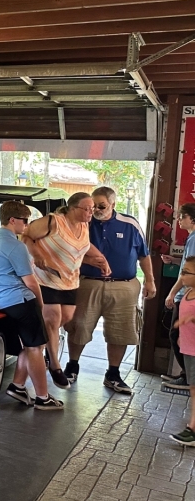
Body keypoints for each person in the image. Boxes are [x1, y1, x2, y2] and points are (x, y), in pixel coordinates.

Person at [64, 186, 155, 394]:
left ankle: (113, 373)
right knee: (78, 326)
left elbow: (144, 254)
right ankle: (72, 366)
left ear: (113, 204)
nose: (95, 210)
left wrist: (150, 281)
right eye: (93, 206)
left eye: (101, 206)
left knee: (120, 331)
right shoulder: (81, 223)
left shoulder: (130, 224)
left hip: (123, 286)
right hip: (88, 284)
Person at [22, 192, 111, 390]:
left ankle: (43, 343)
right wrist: (36, 254)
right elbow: (26, 235)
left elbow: (83, 248)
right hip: (45, 277)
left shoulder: (84, 226)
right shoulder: (54, 222)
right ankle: (55, 366)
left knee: (66, 317)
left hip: (69, 280)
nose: (91, 212)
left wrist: (101, 260)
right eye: (86, 208)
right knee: (53, 319)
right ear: (72, 208)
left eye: (92, 209)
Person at [0, 200, 62, 410]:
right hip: (20, 300)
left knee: (27, 346)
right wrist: (41, 303)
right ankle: (43, 398)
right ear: (12, 220)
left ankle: (18, 386)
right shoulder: (16, 246)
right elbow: (30, 281)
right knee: (36, 347)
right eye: (25, 221)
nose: (26, 226)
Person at [162, 203, 195, 389]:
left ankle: (188, 378)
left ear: (192, 218)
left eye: (182, 216)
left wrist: (172, 292)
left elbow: (188, 272)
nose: (179, 220)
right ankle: (186, 375)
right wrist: (174, 260)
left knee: (178, 334)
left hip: (188, 294)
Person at [169, 256, 195, 446]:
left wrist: (190, 320)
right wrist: (182, 335)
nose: (182, 275)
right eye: (182, 271)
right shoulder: (188, 292)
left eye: (186, 272)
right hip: (189, 348)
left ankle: (192, 429)